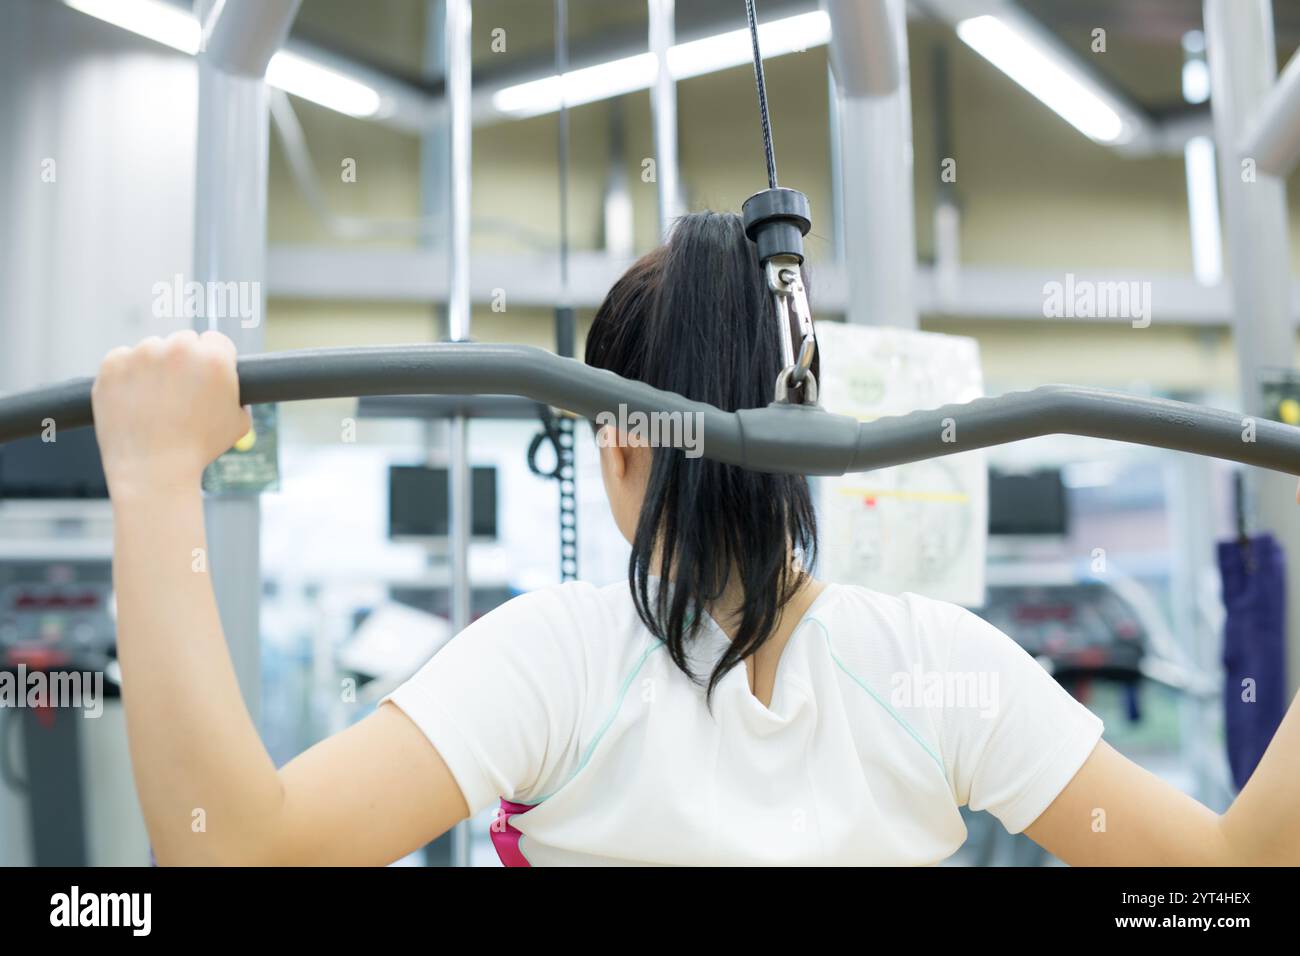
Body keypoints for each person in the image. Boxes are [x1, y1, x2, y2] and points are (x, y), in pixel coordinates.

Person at [92, 212, 1299, 866]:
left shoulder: (557, 657)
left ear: (620, 440)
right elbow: (1239, 866)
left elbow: (228, 855)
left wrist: (153, 479)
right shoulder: (946, 670)